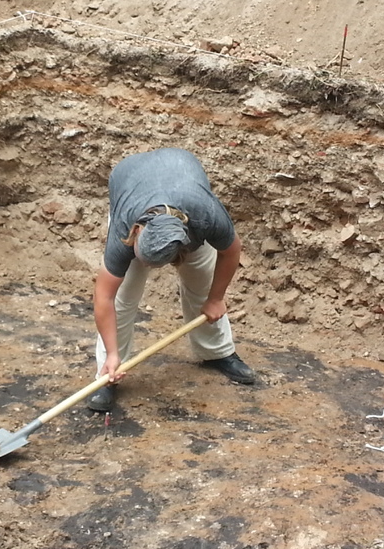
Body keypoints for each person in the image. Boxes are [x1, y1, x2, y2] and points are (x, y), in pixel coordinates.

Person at [88, 147, 257, 413]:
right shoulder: (125, 227)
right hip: (130, 178)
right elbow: (104, 296)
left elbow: (232, 251)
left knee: (203, 282)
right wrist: (112, 352)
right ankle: (107, 373)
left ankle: (217, 352)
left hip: (183, 182)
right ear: (138, 231)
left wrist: (216, 299)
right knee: (123, 297)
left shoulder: (206, 216)